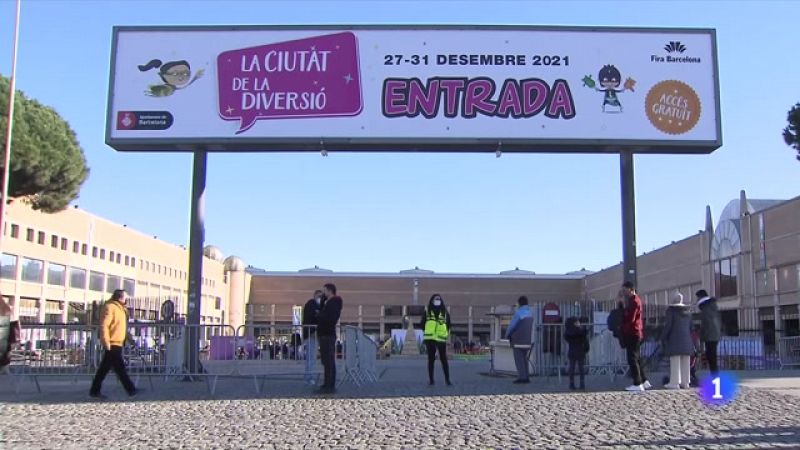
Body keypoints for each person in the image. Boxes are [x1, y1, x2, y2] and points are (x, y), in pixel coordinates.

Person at [89, 289, 137, 399]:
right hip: (112, 342)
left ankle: (94, 390)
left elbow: (122, 327)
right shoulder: (110, 307)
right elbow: (104, 325)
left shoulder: (121, 309)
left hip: (118, 342)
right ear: (120, 297)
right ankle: (131, 390)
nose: (126, 299)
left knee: (104, 369)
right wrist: (105, 341)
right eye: (125, 297)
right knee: (120, 368)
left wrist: (130, 339)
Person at [620, 281, 651, 392]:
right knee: (636, 358)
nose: (624, 292)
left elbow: (631, 318)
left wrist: (623, 327)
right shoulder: (635, 300)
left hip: (632, 332)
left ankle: (637, 383)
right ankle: (644, 380)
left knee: (632, 358)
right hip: (636, 332)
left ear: (631, 289)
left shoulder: (633, 301)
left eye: (625, 290)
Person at [660, 291, 694, 389]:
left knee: (675, 361)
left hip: (674, 340)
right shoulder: (688, 313)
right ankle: (685, 382)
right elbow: (691, 328)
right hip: (687, 340)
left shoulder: (671, 311)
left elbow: (668, 326)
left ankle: (674, 382)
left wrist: (663, 337)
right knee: (685, 361)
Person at [316, 283, 342, 394]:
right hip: (324, 333)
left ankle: (329, 384)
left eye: (325, 291)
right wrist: (322, 303)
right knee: (326, 360)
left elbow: (330, 317)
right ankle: (327, 383)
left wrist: (320, 315)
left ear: (330, 291)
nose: (323, 293)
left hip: (327, 334)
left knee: (328, 360)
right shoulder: (328, 302)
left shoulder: (334, 302)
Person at [420, 294, 452, 386]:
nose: (437, 301)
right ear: (432, 300)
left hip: (441, 339)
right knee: (431, 360)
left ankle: (447, 380)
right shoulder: (427, 312)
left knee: (443, 359)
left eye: (439, 299)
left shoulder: (445, 312)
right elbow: (422, 324)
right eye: (436, 299)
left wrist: (445, 333)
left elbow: (448, 324)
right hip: (430, 339)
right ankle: (431, 380)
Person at [505, 296, 533, 384]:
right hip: (527, 340)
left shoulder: (519, 313)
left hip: (518, 340)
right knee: (525, 359)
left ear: (520, 303)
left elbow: (512, 326)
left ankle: (522, 377)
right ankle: (526, 377)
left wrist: (507, 335)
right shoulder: (530, 312)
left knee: (519, 360)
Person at [696, 289, 721, 377]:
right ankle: (715, 377)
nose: (696, 300)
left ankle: (715, 378)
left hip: (709, 336)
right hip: (715, 335)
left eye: (697, 298)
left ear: (701, 297)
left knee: (711, 358)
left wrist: (701, 337)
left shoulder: (705, 308)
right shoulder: (712, 306)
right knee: (712, 357)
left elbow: (706, 324)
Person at [302, 290, 322, 384]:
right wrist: (312, 331)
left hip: (314, 333)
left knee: (312, 357)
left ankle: (309, 376)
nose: (320, 298)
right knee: (311, 357)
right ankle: (309, 377)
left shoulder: (318, 305)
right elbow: (309, 319)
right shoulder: (311, 304)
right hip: (311, 333)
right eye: (319, 296)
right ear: (314, 295)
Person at [564, 316, 589, 390]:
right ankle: (582, 383)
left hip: (572, 351)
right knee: (581, 368)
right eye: (577, 322)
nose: (578, 323)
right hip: (580, 350)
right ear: (575, 323)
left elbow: (566, 338)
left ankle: (571, 384)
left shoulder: (568, 331)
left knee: (572, 367)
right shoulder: (580, 330)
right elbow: (584, 336)